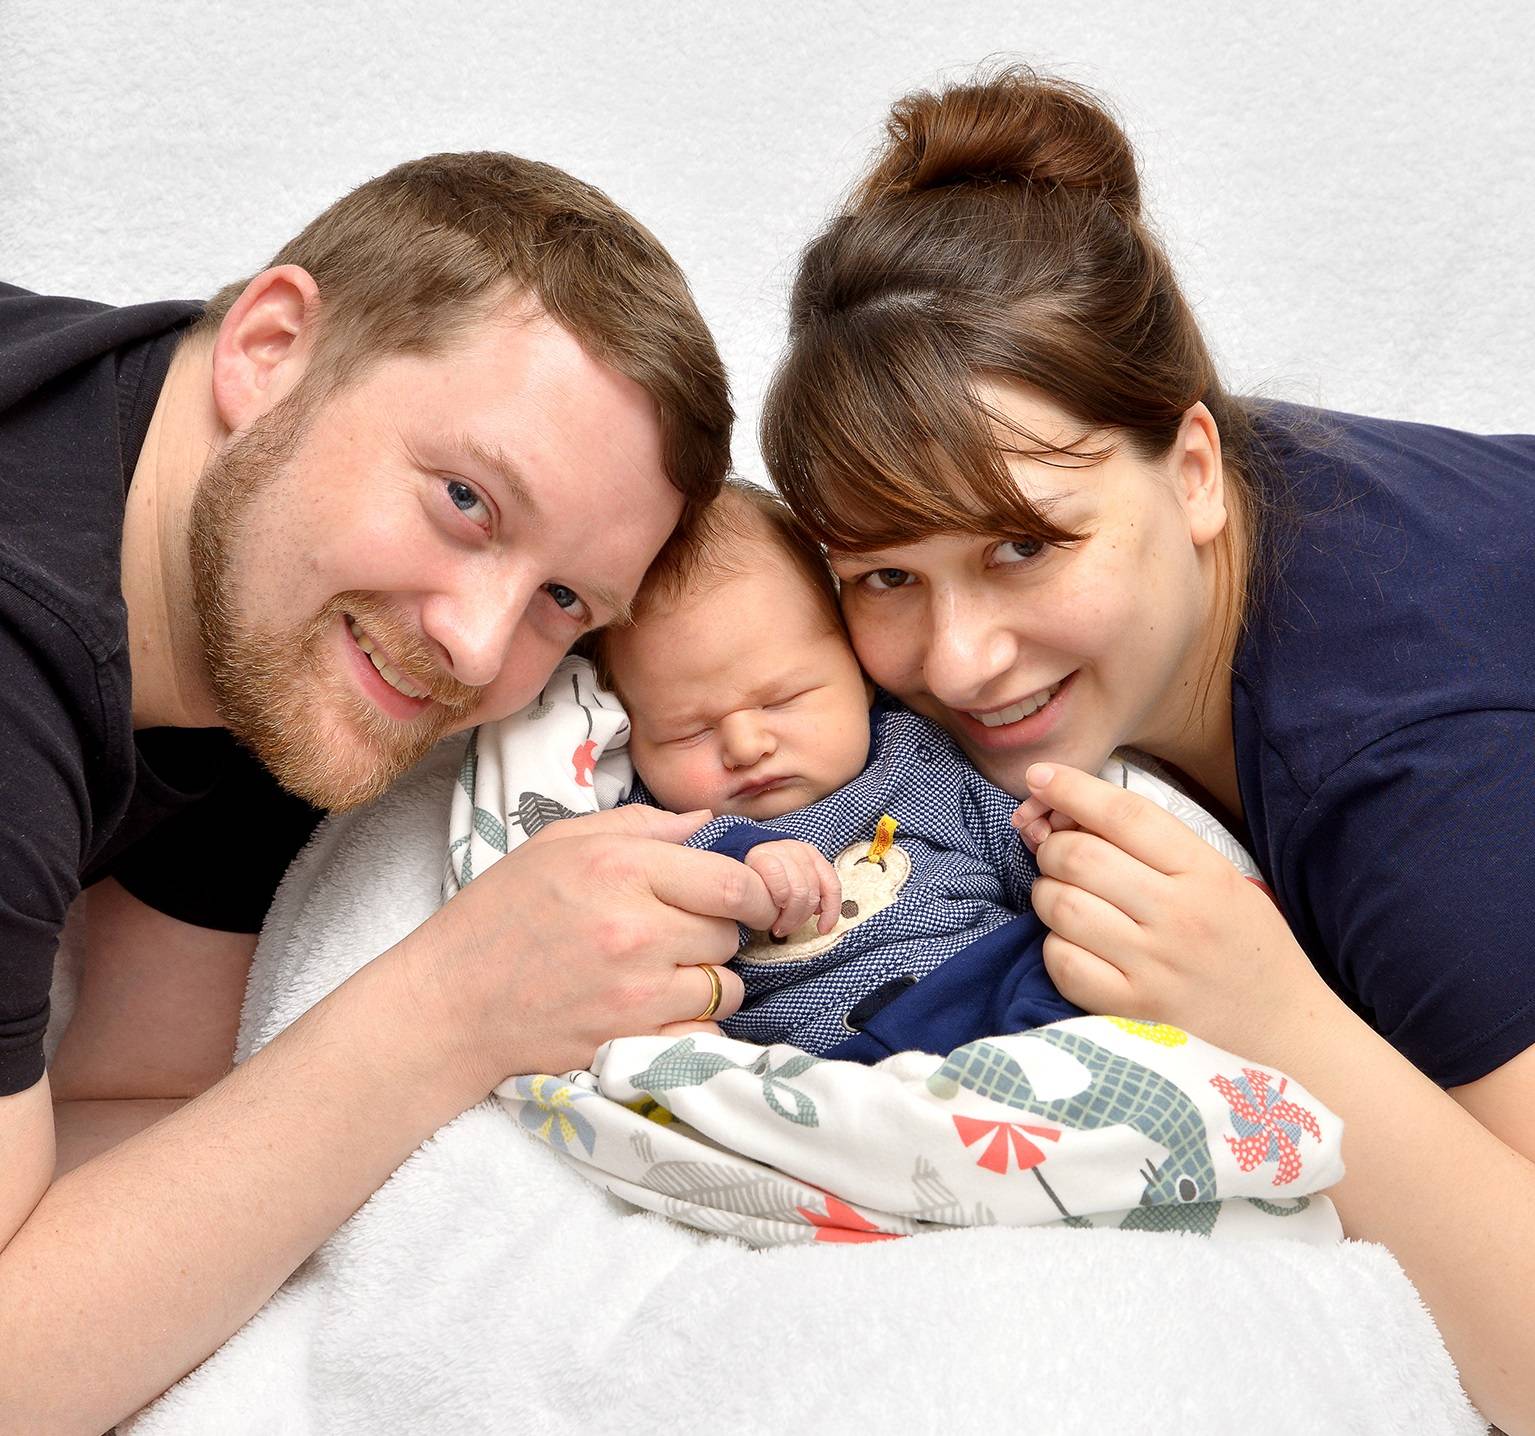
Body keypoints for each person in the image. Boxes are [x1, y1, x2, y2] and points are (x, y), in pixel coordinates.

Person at [759, 65, 1535, 1432]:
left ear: (1189, 467)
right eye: (883, 574)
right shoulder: (1209, 503)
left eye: (1021, 546)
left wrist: (1272, 1017)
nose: (958, 659)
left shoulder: (1399, 781)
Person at [0, 153, 781, 1431]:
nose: (476, 648)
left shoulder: (261, 591)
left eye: (563, 600)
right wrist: (454, 1004)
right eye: (466, 500)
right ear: (268, 347)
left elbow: (131, 1095)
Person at [598, 480, 1084, 1057]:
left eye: (783, 699)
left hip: (996, 981)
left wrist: (1058, 845)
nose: (746, 746)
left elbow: (1017, 847)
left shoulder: (918, 756)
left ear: (860, 673)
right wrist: (740, 859)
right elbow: (634, 937)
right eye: (688, 731)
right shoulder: (659, 831)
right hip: (825, 1061)